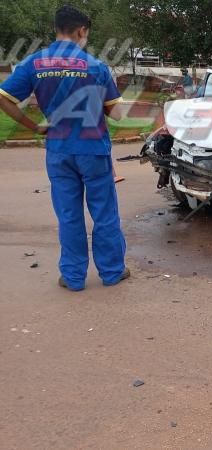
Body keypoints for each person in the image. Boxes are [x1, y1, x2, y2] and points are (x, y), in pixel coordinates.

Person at [0, 5, 128, 291]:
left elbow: (4, 97)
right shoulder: (95, 66)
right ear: (82, 31)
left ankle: (72, 277)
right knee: (104, 213)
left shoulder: (34, 64)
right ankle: (112, 272)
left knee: (69, 215)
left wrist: (33, 127)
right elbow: (116, 113)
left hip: (58, 149)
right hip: (93, 149)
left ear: (57, 29)